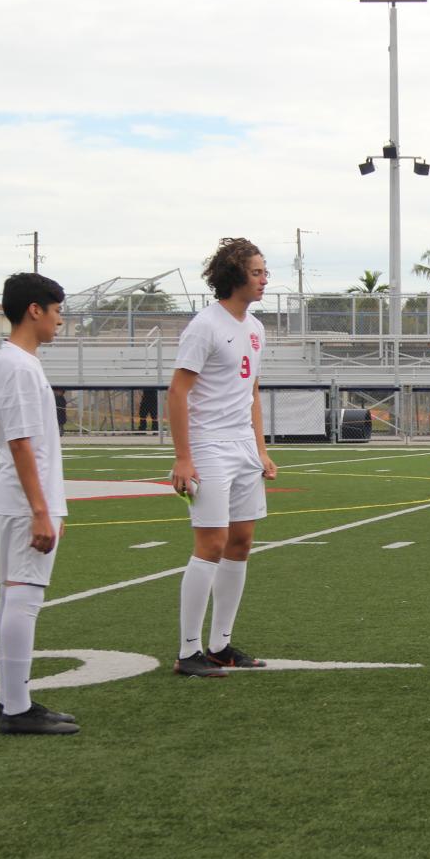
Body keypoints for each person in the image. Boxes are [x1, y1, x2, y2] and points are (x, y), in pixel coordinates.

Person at [167, 237, 278, 678]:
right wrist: (183, 458)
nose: (264, 279)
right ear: (234, 275)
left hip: (242, 448)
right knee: (210, 545)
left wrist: (261, 450)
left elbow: (251, 391)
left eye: (265, 271)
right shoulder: (204, 326)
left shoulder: (255, 327)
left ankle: (221, 645)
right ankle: (188, 651)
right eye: (257, 271)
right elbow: (178, 391)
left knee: (241, 544)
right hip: (208, 445)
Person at [0, 274, 78, 734]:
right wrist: (42, 510)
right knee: (24, 595)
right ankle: (17, 708)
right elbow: (22, 444)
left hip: (18, 496)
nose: (61, 318)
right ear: (34, 310)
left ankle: (12, 700)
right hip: (26, 500)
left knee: (13, 595)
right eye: (57, 309)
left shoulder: (14, 362)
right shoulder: (19, 366)